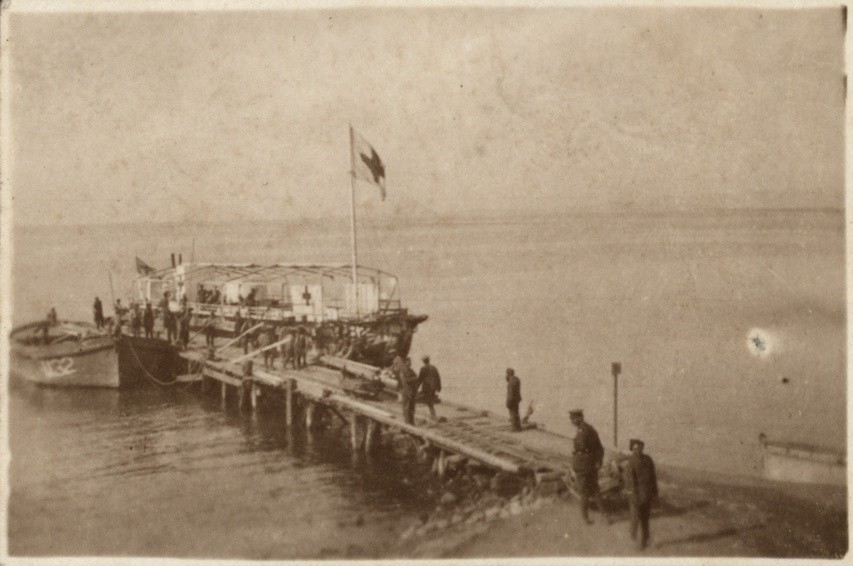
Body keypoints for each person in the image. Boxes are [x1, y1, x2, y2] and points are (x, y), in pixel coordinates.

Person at [570, 409, 610, 525]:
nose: (572, 421)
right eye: (571, 419)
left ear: (581, 418)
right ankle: (605, 517)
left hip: (584, 466)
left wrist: (598, 461)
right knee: (595, 491)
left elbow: (598, 448)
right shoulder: (583, 429)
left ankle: (585, 518)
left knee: (584, 493)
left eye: (574, 419)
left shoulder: (587, 430)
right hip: (588, 465)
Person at [623, 439, 658, 550]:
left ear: (642, 448)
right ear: (632, 450)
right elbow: (629, 483)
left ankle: (645, 539)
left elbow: (653, 477)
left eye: (640, 448)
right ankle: (633, 538)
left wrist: (655, 492)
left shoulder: (648, 460)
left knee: (645, 519)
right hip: (636, 496)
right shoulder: (630, 463)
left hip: (646, 494)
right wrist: (633, 497)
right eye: (635, 449)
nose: (638, 450)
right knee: (635, 518)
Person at [418, 356, 442, 420]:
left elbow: (420, 379)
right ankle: (433, 413)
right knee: (430, 399)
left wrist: (416, 387)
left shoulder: (423, 368)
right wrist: (439, 387)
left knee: (429, 401)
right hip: (433, 387)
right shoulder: (434, 368)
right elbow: (438, 377)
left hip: (427, 387)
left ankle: (433, 414)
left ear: (423, 361)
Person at [400, 357, 420, 425]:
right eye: (409, 362)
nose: (410, 363)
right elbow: (404, 381)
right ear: (405, 362)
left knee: (412, 407)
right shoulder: (403, 371)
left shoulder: (411, 370)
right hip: (406, 391)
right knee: (406, 407)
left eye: (410, 362)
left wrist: (413, 380)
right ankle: (407, 422)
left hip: (412, 391)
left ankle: (411, 422)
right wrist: (413, 379)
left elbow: (416, 378)